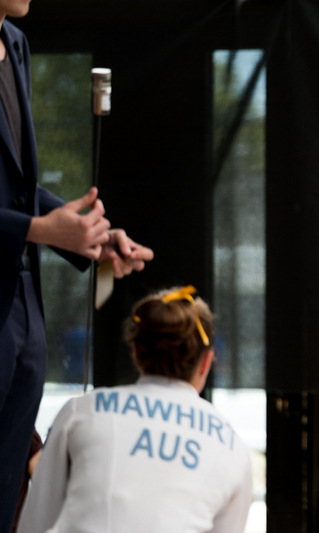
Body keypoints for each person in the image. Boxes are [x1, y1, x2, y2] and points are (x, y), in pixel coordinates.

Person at [0, 1, 154, 529]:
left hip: (21, 310)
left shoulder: (15, 43)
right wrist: (36, 230)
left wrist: (89, 237)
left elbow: (16, 189)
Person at [17, 286, 253, 533]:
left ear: (136, 352)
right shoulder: (231, 446)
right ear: (206, 362)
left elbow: (37, 520)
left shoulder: (82, 411)